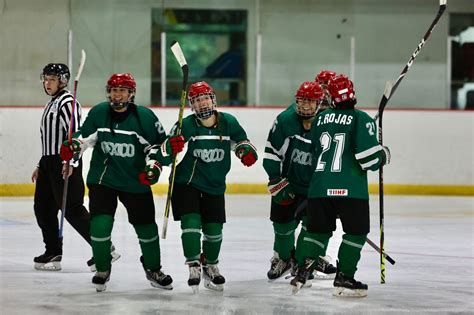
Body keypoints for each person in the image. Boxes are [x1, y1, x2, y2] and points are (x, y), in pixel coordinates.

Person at [60, 73, 182, 292]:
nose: (117, 94)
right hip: (103, 179)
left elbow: (157, 148)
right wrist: (75, 147)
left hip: (136, 181)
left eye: (122, 90)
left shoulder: (145, 118)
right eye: (114, 90)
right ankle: (103, 269)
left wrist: (153, 166)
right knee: (100, 225)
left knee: (146, 229)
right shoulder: (99, 112)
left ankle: (153, 269)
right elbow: (84, 137)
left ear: (131, 93)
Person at [290, 75, 391, 297]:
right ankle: (345, 277)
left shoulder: (320, 118)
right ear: (352, 94)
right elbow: (368, 160)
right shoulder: (361, 118)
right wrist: (383, 152)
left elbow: (316, 150)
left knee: (318, 231)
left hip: (319, 188)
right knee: (356, 233)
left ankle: (302, 270)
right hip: (350, 190)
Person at [158, 81, 258, 292]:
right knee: (191, 223)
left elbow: (242, 141)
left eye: (205, 98)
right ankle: (193, 264)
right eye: (197, 100)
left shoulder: (228, 122)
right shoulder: (184, 124)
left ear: (213, 99)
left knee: (214, 230)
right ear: (191, 105)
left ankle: (210, 264)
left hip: (214, 184)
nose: (202, 103)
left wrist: (245, 151)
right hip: (187, 182)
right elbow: (165, 153)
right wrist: (170, 146)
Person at [262, 81, 336, 283]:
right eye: (302, 101)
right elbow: (272, 153)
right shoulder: (285, 120)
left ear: (320, 103)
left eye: (311, 102)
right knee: (282, 226)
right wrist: (276, 180)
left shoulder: (329, 123)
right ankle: (283, 259)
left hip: (315, 187)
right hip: (289, 183)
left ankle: (307, 261)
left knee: (315, 227)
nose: (305, 106)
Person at [32, 63, 97, 271]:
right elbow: (49, 139)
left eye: (52, 79)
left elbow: (76, 135)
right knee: (43, 208)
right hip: (49, 163)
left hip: (65, 162)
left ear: (63, 81)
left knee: (72, 209)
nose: (47, 83)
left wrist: (72, 161)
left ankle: (103, 247)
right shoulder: (52, 103)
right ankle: (53, 251)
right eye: (46, 78)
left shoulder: (67, 102)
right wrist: (40, 164)